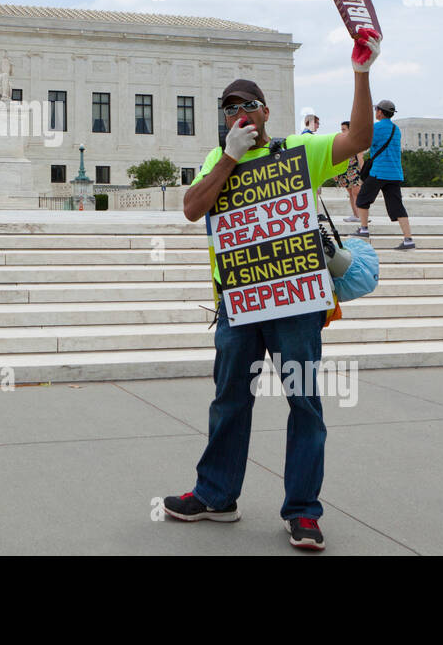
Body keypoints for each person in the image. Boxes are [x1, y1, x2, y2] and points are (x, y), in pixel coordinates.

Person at [161, 28, 380, 552]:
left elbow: (360, 140)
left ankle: (303, 511)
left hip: (296, 305)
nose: (240, 112)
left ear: (266, 112)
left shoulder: (299, 151)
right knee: (229, 401)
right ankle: (217, 497)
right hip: (238, 305)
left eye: (249, 105)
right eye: (229, 107)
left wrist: (362, 72)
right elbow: (192, 209)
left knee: (304, 402)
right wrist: (230, 158)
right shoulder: (217, 161)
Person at [352, 100, 414, 250]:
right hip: (394, 173)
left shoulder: (376, 128)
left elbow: (365, 143)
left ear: (380, 112)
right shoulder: (396, 129)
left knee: (362, 199)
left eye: (376, 110)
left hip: (379, 171)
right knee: (397, 206)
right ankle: (408, 239)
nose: (375, 112)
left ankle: (364, 229)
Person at [334, 120, 364, 223]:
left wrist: (363, 171)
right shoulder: (341, 142)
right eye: (341, 129)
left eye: (344, 129)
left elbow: (360, 157)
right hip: (345, 171)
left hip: (355, 170)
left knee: (356, 193)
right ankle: (356, 215)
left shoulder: (357, 141)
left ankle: (360, 216)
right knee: (351, 193)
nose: (342, 132)